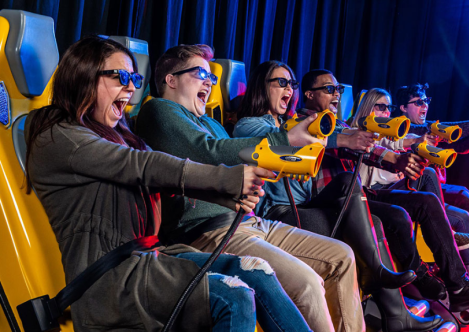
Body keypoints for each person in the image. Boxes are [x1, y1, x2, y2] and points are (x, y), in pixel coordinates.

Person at [24, 36, 312, 332]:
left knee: (257, 270)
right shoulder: (60, 136)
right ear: (83, 77)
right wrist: (231, 178)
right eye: (120, 77)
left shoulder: (116, 135)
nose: (132, 87)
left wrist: (229, 197)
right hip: (111, 282)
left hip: (149, 260)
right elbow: (145, 167)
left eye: (134, 78)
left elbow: (157, 179)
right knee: (233, 295)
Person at [135, 44, 367, 332]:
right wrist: (285, 137)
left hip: (252, 222)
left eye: (212, 77)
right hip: (210, 231)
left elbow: (242, 160)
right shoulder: (158, 110)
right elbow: (209, 152)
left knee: (341, 257)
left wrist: (287, 161)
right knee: (306, 283)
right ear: (171, 80)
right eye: (200, 74)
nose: (209, 82)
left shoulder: (209, 121)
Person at [233, 61, 444, 332]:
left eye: (292, 83)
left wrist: (385, 151)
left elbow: (333, 133)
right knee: (373, 223)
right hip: (279, 213)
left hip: (306, 204)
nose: (289, 89)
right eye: (281, 82)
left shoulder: (293, 119)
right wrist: (342, 141)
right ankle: (389, 301)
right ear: (262, 88)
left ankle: (393, 308)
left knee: (353, 188)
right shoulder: (248, 125)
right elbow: (277, 141)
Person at [297, 69, 469, 312]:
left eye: (338, 89)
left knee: (427, 200)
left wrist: (402, 157)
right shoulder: (304, 122)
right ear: (309, 94)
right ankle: (422, 277)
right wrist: (395, 157)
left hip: (359, 192)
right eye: (329, 89)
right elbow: (348, 143)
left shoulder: (339, 123)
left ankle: (458, 287)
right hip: (336, 197)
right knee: (400, 214)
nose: (337, 94)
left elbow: (377, 145)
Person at [351, 87, 469, 288]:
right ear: (368, 108)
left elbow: (403, 141)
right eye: (381, 107)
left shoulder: (390, 130)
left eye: (389, 108)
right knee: (458, 199)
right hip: (374, 192)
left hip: (398, 186)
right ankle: (459, 278)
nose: (387, 112)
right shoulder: (361, 132)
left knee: (462, 210)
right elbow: (392, 145)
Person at [395, 83, 469, 280]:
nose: (424, 105)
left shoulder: (428, 127)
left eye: (426, 101)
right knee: (463, 199)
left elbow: (461, 145)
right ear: (402, 108)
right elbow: (423, 130)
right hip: (419, 188)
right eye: (418, 102)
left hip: (439, 187)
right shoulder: (400, 128)